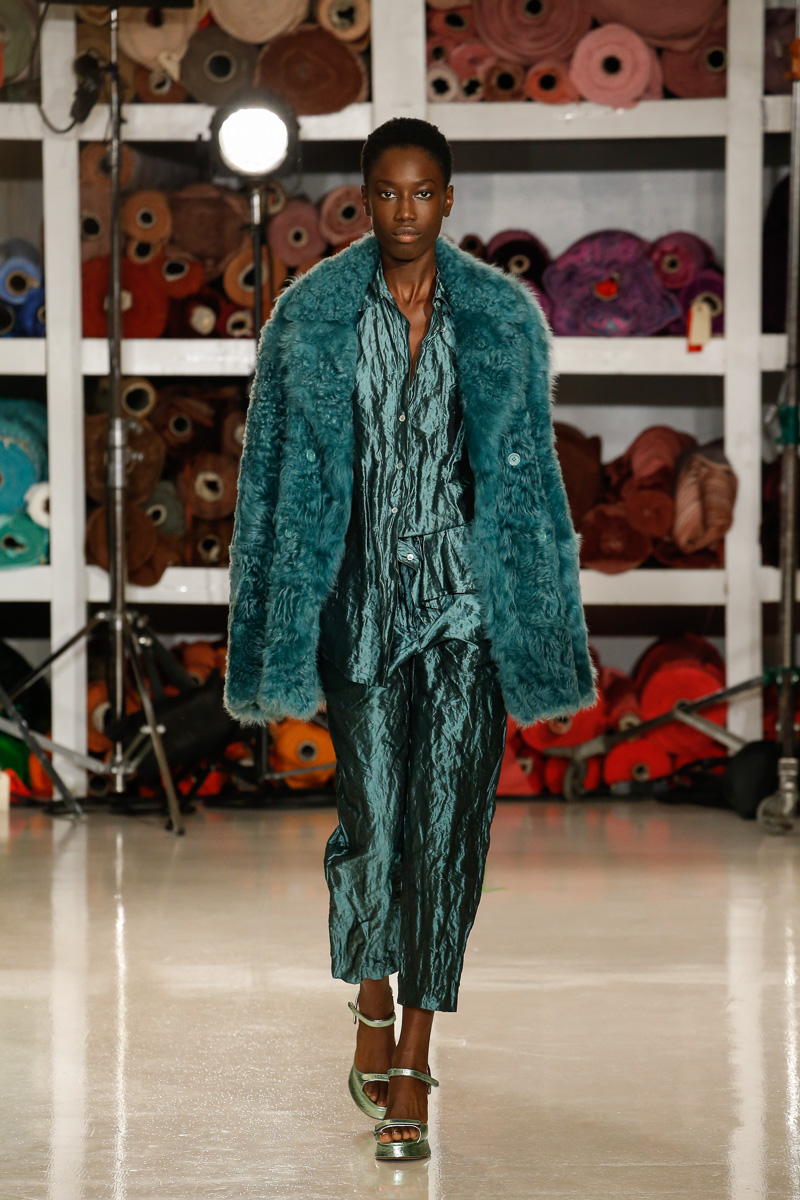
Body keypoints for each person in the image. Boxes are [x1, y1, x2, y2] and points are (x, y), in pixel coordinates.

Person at [223, 118, 596, 1163]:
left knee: (447, 829)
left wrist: (539, 616)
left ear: (447, 199)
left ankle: (417, 1056)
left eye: (421, 192)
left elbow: (531, 486)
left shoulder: (500, 319)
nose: (402, 211)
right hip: (360, 605)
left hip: (465, 608)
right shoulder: (311, 319)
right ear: (362, 198)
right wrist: (271, 623)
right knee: (375, 823)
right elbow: (270, 485)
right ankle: (373, 997)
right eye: (384, 193)